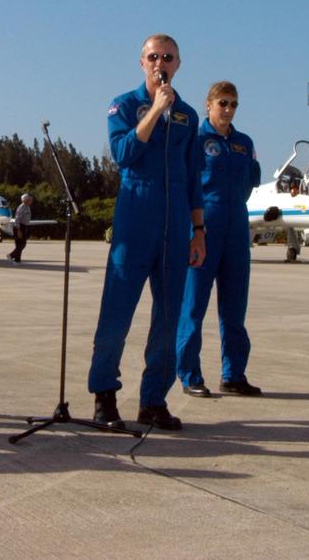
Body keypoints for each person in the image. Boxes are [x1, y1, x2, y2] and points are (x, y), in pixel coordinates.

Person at [88, 34, 206, 432]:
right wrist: (154, 110)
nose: (161, 63)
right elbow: (122, 154)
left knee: (169, 317)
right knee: (117, 312)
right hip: (135, 217)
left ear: (178, 64)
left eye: (168, 58)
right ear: (142, 62)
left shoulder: (188, 116)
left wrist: (199, 230)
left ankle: (153, 400)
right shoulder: (123, 105)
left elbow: (193, 179)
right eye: (154, 57)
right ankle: (105, 396)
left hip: (175, 226)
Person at [175, 82, 264, 399]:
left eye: (234, 104)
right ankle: (189, 374)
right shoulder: (195, 140)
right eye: (223, 103)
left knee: (235, 308)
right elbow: (185, 183)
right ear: (209, 104)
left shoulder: (244, 143)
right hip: (203, 227)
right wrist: (194, 227)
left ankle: (234, 374)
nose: (228, 109)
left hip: (237, 228)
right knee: (193, 305)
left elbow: (251, 179)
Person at [7, 192, 33, 263]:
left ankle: (17, 260)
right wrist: (19, 231)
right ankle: (12, 256)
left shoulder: (27, 207)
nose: (31, 201)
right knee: (21, 245)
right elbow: (17, 220)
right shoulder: (21, 208)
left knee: (21, 245)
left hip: (24, 226)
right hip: (19, 227)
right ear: (25, 200)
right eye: (29, 199)